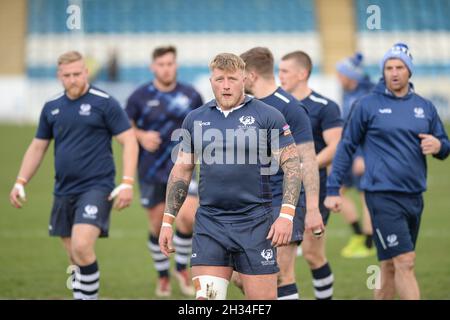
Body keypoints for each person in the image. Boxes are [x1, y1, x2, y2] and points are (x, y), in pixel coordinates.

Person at [159, 53, 323, 300]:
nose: (225, 85)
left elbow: (292, 165)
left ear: (244, 79)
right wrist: (167, 221)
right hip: (210, 224)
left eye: (232, 79)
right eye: (219, 79)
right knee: (207, 301)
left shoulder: (268, 116)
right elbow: (181, 170)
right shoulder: (195, 118)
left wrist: (286, 216)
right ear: (211, 80)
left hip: (256, 224)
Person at [9, 51, 138, 300]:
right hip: (63, 189)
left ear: (86, 72)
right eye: (67, 75)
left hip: (97, 187)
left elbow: (130, 141)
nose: (73, 79)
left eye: (77, 74)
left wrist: (127, 183)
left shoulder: (105, 102)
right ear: (59, 76)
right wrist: (20, 182)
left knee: (81, 245)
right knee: (74, 255)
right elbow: (38, 146)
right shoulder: (52, 107)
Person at [325, 43, 450, 300]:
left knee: (390, 265)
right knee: (406, 261)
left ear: (409, 71)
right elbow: (346, 146)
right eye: (389, 67)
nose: (394, 72)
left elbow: (444, 145)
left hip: (414, 195)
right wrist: (333, 187)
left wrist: (439, 145)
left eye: (400, 67)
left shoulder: (425, 107)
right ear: (383, 71)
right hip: (381, 195)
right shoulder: (367, 105)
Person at [237, 47, 323, 300]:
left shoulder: (290, 107)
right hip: (249, 203)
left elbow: (307, 161)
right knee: (241, 276)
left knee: (281, 274)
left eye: (241, 75)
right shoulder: (244, 105)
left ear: (251, 75)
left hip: (284, 200)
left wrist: (314, 209)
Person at [125, 45, 203, 297]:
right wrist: (140, 135)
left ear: (176, 65)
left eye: (170, 63)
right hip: (151, 170)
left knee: (188, 217)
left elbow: (204, 126)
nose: (166, 68)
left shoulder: (191, 95)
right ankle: (162, 276)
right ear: (153, 67)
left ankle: (181, 267)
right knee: (158, 224)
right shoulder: (138, 96)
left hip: (183, 168)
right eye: (161, 64)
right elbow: (124, 130)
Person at [279, 50, 343, 300]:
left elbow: (336, 146)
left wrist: (306, 165)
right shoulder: (276, 105)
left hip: (313, 190)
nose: (280, 76)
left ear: (302, 73)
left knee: (313, 255)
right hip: (279, 190)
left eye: (285, 71)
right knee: (278, 261)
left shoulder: (324, 106)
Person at [335, 52, 376, 258]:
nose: (337, 76)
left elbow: (366, 129)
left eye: (340, 73)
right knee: (335, 192)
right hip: (348, 152)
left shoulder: (364, 96)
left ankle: (368, 243)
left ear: (349, 75)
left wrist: (362, 156)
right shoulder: (346, 92)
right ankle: (358, 234)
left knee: (364, 196)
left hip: (363, 154)